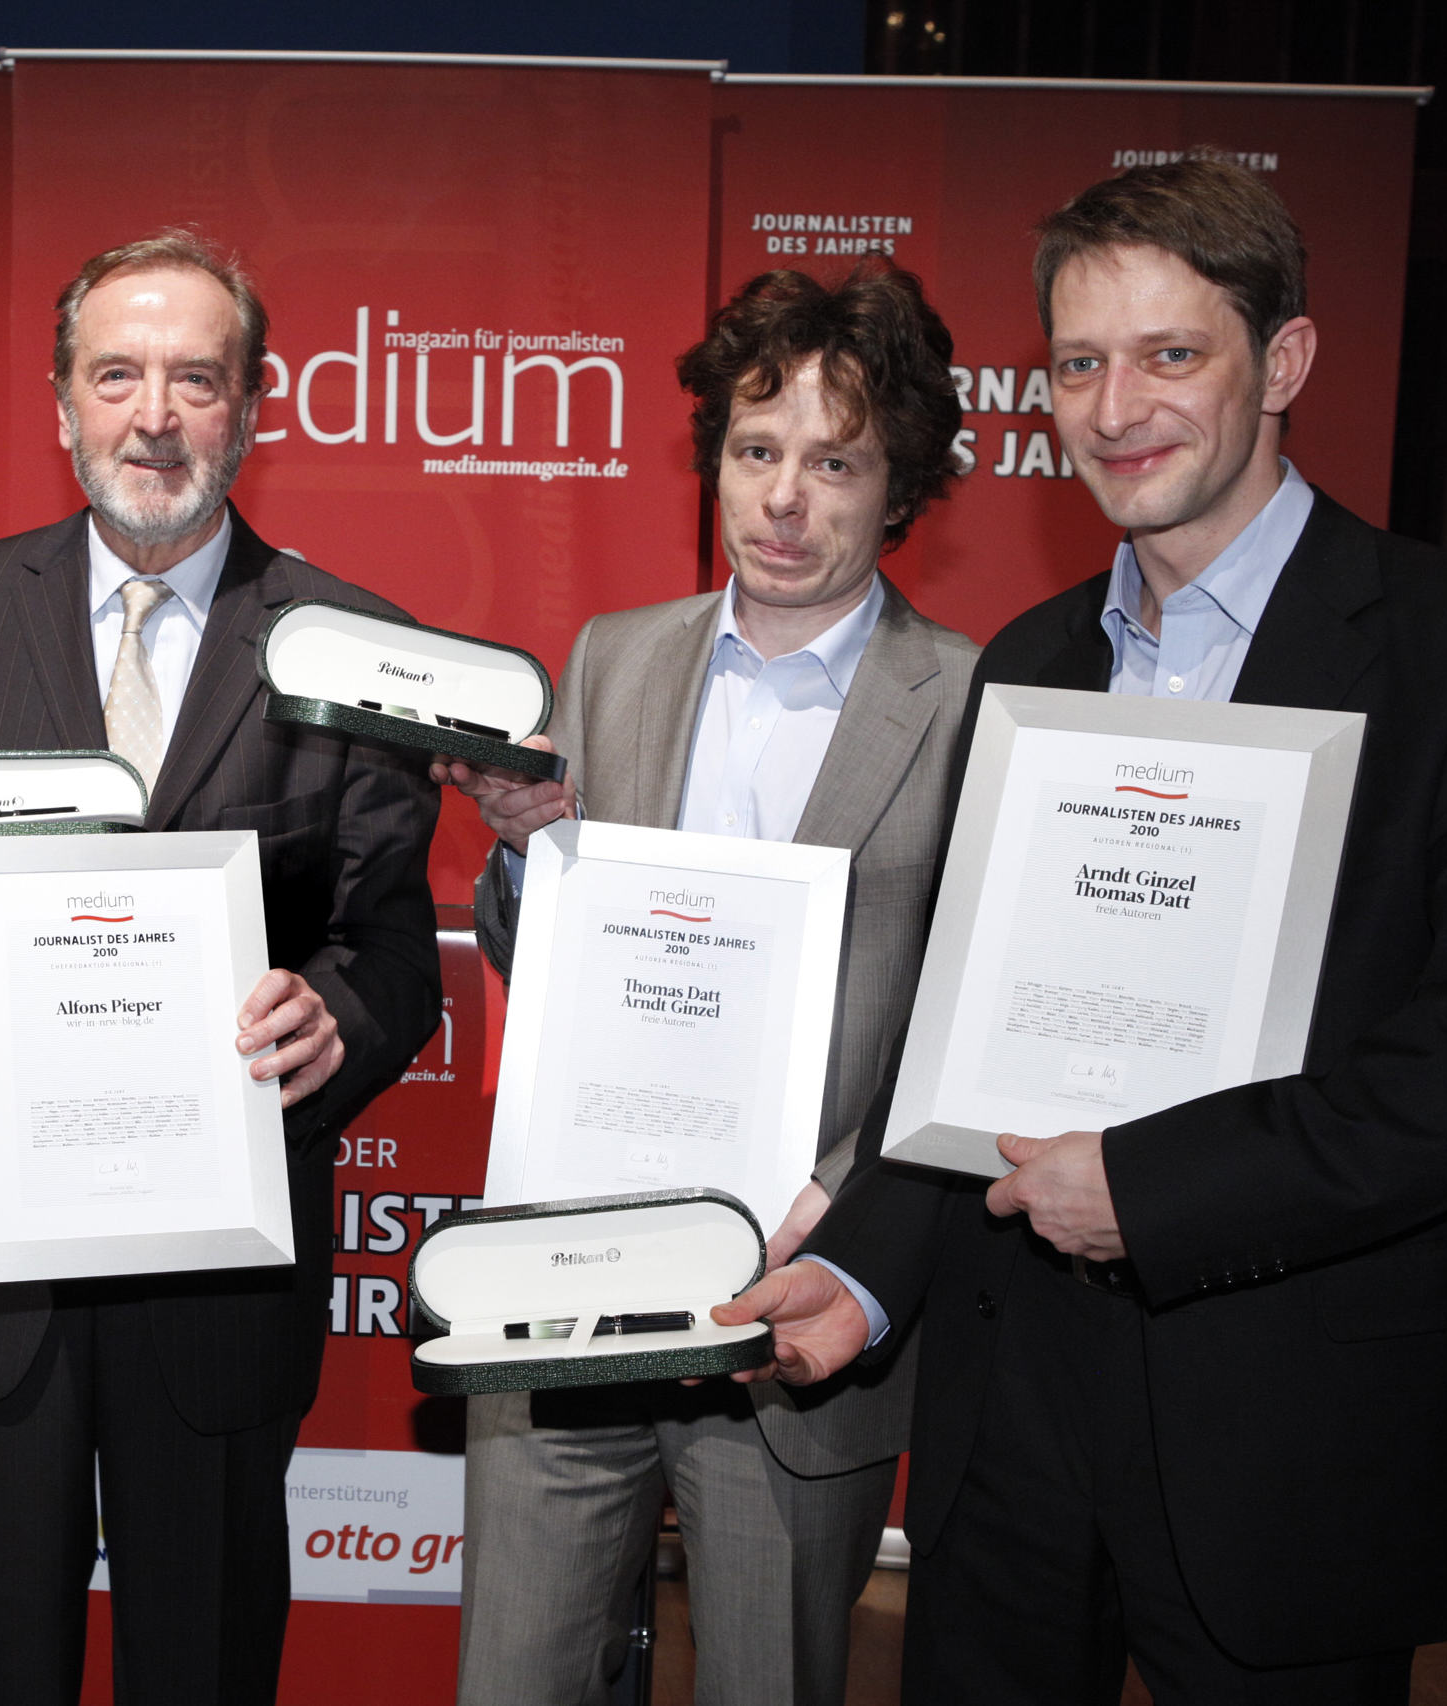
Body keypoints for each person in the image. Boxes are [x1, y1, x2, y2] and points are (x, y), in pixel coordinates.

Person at [728, 158, 1447, 1703]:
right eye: (1077, 362)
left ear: (1288, 363)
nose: (1116, 405)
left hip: (1296, 1421)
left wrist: (1158, 1185)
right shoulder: (1037, 659)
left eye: (1171, 354)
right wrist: (857, 1277)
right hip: (1013, 1426)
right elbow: (958, 1029)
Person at [0, 229, 442, 1706]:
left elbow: (391, 950)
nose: (154, 415)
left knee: (208, 1663)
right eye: (116, 375)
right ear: (61, 406)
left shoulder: (352, 645)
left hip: (218, 1282)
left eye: (196, 378)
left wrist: (341, 1019)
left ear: (253, 407)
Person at [435, 261, 977, 1706]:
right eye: (756, 452)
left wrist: (855, 1211)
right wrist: (520, 859)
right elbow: (539, 957)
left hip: (799, 1309)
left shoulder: (973, 699)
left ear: (900, 480)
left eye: (835, 460)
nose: (785, 499)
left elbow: (967, 1032)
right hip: (576, 1294)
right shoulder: (616, 658)